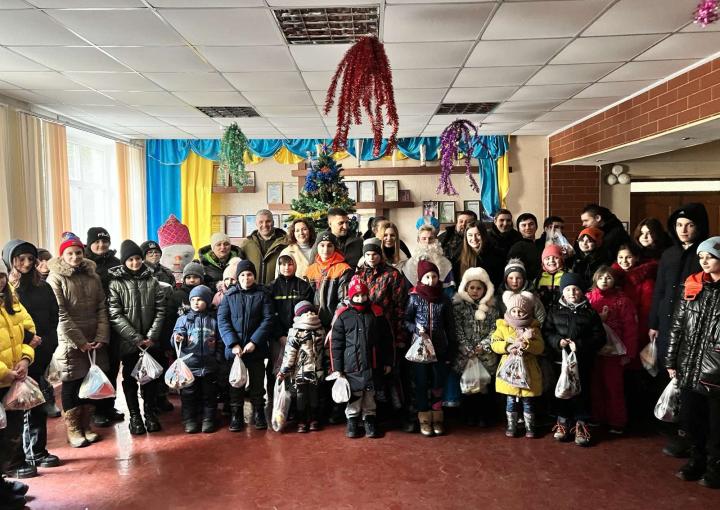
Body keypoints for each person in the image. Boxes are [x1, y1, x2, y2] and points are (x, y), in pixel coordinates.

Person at [649, 203, 709, 457]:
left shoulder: (705, 254)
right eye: (679, 225)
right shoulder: (669, 254)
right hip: (666, 323)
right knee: (668, 372)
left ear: (699, 227)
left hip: (693, 327)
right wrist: (653, 323)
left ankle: (689, 433)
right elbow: (660, 291)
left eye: (690, 225)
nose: (683, 230)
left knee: (689, 382)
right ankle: (672, 426)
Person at [2, 240, 60, 477]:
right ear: (10, 261)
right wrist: (26, 346)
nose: (26, 264)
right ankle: (16, 461)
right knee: (14, 412)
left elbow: (53, 318)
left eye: (30, 258)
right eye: (20, 259)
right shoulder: (8, 290)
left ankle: (37, 451)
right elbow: (13, 328)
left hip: (37, 356)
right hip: (12, 363)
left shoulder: (43, 286)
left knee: (36, 406)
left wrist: (44, 348)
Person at [666, 237, 720, 489]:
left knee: (716, 425)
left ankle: (715, 467)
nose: (704, 261)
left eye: (710, 256)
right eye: (701, 257)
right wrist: (671, 359)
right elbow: (677, 325)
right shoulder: (694, 285)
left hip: (716, 371)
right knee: (691, 419)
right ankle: (696, 460)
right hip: (689, 366)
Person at [47, 232, 110, 448]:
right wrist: (80, 341)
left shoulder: (93, 276)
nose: (75, 257)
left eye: (78, 253)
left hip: (94, 338)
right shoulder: (55, 278)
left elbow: (101, 306)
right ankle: (73, 429)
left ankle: (86, 425)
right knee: (72, 383)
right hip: (70, 341)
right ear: (62, 255)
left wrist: (101, 336)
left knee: (90, 381)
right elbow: (60, 313)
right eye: (70, 253)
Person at [107, 240, 166, 435]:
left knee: (149, 377)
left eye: (138, 258)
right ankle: (135, 416)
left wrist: (151, 336)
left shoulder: (152, 281)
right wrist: (135, 337)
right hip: (128, 342)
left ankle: (150, 414)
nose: (135, 263)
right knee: (130, 378)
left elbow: (160, 309)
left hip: (150, 341)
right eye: (130, 259)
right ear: (124, 261)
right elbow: (115, 314)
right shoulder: (115, 283)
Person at [542, 272, 605, 446]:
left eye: (576, 289)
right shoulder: (554, 311)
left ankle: (581, 424)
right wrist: (557, 342)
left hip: (582, 362)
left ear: (582, 291)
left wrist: (581, 345)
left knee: (581, 393)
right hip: (559, 361)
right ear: (562, 291)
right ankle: (562, 421)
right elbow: (546, 332)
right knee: (561, 392)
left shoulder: (590, 313)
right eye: (568, 289)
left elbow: (600, 337)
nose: (572, 293)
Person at [330, 280, 394, 438]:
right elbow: (336, 344)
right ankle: (352, 419)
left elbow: (387, 339)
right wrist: (337, 368)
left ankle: (369, 418)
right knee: (355, 393)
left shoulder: (377, 313)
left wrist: (388, 362)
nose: (360, 298)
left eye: (363, 295)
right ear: (351, 296)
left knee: (370, 393)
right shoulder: (343, 315)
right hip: (351, 365)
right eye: (356, 295)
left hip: (373, 362)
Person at [218, 260, 274, 432]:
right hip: (235, 351)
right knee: (236, 383)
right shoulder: (229, 296)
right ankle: (236, 415)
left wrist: (254, 342)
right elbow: (223, 320)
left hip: (255, 349)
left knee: (257, 383)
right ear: (237, 277)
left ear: (254, 277)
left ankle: (258, 412)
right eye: (242, 275)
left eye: (249, 274)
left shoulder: (262, 295)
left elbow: (268, 319)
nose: (246, 278)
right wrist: (233, 344)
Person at [404, 261, 457, 437]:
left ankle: (437, 417)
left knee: (437, 383)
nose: (431, 280)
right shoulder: (414, 297)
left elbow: (450, 326)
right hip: (420, 350)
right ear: (420, 278)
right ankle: (424, 418)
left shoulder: (444, 299)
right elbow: (406, 320)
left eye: (434, 276)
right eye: (427, 276)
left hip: (440, 348)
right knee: (421, 383)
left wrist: (451, 348)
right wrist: (416, 329)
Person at [0, 258, 35, 509]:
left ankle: (1, 480)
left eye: (1, 276)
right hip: (4, 376)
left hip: (13, 379)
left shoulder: (10, 300)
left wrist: (25, 359)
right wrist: (4, 372)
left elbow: (30, 332)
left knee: (9, 436)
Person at [586, 266, 638, 434]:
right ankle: (597, 417)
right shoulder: (589, 298)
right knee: (595, 385)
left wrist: (629, 352)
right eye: (601, 277)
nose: (604, 281)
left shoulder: (622, 301)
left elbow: (630, 328)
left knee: (613, 386)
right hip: (594, 349)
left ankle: (617, 421)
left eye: (608, 278)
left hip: (614, 351)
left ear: (614, 280)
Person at [614, 243, 659, 426]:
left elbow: (647, 311)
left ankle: (637, 417)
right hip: (616, 332)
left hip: (636, 333)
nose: (624, 261)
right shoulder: (613, 276)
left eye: (628, 257)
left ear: (636, 258)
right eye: (620, 257)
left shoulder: (645, 280)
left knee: (635, 377)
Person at [83, 227, 123, 428]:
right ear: (89, 243)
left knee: (113, 365)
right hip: (94, 322)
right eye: (97, 242)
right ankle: (96, 409)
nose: (101, 245)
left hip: (114, 321)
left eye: (104, 241)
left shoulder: (116, 263)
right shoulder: (84, 264)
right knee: (97, 365)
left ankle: (109, 405)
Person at [491, 291, 544, 439]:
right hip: (510, 371)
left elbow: (540, 347)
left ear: (527, 312)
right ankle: (511, 425)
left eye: (521, 311)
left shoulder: (533, 328)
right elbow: (495, 343)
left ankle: (529, 426)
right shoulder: (503, 326)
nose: (517, 314)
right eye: (514, 311)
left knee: (528, 401)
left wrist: (527, 345)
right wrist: (507, 347)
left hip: (528, 370)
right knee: (510, 401)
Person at [452, 267, 499, 427]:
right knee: (468, 387)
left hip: (485, 355)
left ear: (485, 289)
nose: (475, 291)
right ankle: (468, 416)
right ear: (465, 288)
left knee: (484, 387)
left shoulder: (491, 308)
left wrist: (483, 345)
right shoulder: (459, 307)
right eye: (471, 287)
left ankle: (483, 416)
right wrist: (467, 348)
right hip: (466, 355)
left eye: (479, 288)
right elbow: (457, 330)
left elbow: (495, 329)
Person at [267, 254, 314, 412]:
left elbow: (307, 312)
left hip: (299, 336)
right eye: (283, 264)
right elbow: (269, 314)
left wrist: (296, 335)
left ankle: (294, 407)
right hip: (277, 337)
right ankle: (276, 405)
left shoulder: (303, 286)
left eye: (290, 264)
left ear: (295, 265)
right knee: (277, 370)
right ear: (278, 267)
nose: (286, 267)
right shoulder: (271, 287)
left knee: (296, 371)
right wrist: (280, 335)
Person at [173, 285, 219, 434]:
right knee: (188, 395)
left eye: (200, 299)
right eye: (193, 300)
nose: (196, 302)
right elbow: (176, 335)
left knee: (209, 395)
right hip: (189, 366)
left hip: (209, 365)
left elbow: (220, 341)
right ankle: (189, 420)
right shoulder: (183, 320)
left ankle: (208, 419)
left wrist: (217, 358)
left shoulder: (214, 320)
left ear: (207, 301)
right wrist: (177, 338)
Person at [278, 301, 325, 433]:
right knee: (303, 395)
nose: (309, 313)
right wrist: (284, 371)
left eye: (311, 311)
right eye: (305, 312)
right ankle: (304, 420)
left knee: (311, 394)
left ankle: (311, 420)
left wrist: (328, 367)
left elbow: (325, 351)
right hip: (304, 371)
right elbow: (290, 354)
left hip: (313, 370)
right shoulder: (296, 332)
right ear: (299, 315)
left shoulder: (319, 329)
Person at [305, 232, 354, 330]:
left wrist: (336, 323)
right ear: (316, 247)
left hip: (335, 323)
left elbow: (345, 300)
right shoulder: (310, 270)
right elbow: (306, 298)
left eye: (330, 245)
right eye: (322, 245)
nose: (325, 249)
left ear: (335, 247)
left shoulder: (343, 269)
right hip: (312, 322)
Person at [402, 225, 455, 297]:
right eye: (424, 238)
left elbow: (449, 292)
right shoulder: (409, 264)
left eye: (430, 238)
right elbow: (408, 291)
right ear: (418, 240)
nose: (427, 241)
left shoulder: (445, 263)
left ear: (436, 239)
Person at [239, 210, 287, 285]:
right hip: (253, 289)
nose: (264, 225)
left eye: (268, 221)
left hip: (278, 288)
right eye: (261, 222)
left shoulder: (285, 242)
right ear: (256, 224)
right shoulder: (247, 243)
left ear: (273, 222)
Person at [452, 220, 504, 289]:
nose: (474, 239)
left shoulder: (496, 254)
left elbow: (498, 280)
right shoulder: (458, 255)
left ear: (484, 235)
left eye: (478, 234)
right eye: (470, 235)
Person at [497, 258, 546, 325]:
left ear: (523, 279)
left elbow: (541, 316)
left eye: (518, 278)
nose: (514, 281)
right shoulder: (499, 298)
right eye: (511, 278)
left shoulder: (531, 296)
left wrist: (535, 328)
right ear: (505, 279)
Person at [507, 213, 543, 282]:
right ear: (518, 229)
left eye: (531, 224)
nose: (527, 228)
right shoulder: (517, 247)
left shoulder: (541, 243)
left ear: (536, 226)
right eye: (524, 225)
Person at [535, 244, 566, 315]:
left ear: (561, 260)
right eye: (547, 258)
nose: (551, 260)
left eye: (556, 257)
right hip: (542, 314)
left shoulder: (566, 276)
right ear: (543, 262)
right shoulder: (538, 278)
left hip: (561, 315)